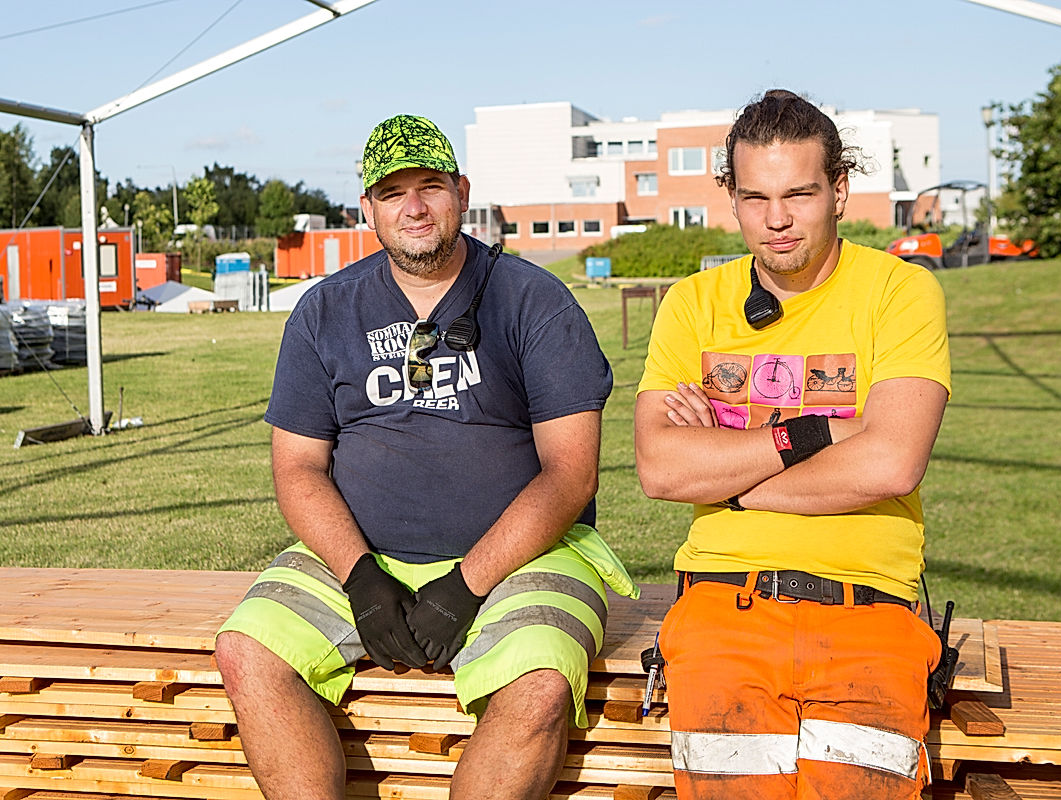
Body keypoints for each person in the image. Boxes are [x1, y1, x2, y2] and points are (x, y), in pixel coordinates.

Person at [214, 113, 637, 800]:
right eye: (393, 192)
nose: (414, 207)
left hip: (527, 555)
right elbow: (297, 468)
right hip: (361, 554)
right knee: (246, 652)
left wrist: (468, 583)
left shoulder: (533, 301)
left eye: (431, 186)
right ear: (367, 210)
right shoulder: (325, 312)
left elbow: (571, 474)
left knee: (537, 683)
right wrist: (358, 576)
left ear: (462, 193)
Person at [634, 89, 951, 800]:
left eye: (800, 194)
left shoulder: (900, 291)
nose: (776, 220)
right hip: (721, 610)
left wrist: (726, 469)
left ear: (839, 189)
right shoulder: (693, 303)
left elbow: (892, 460)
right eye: (754, 198)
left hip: (872, 617)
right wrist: (816, 432)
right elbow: (659, 468)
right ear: (731, 196)